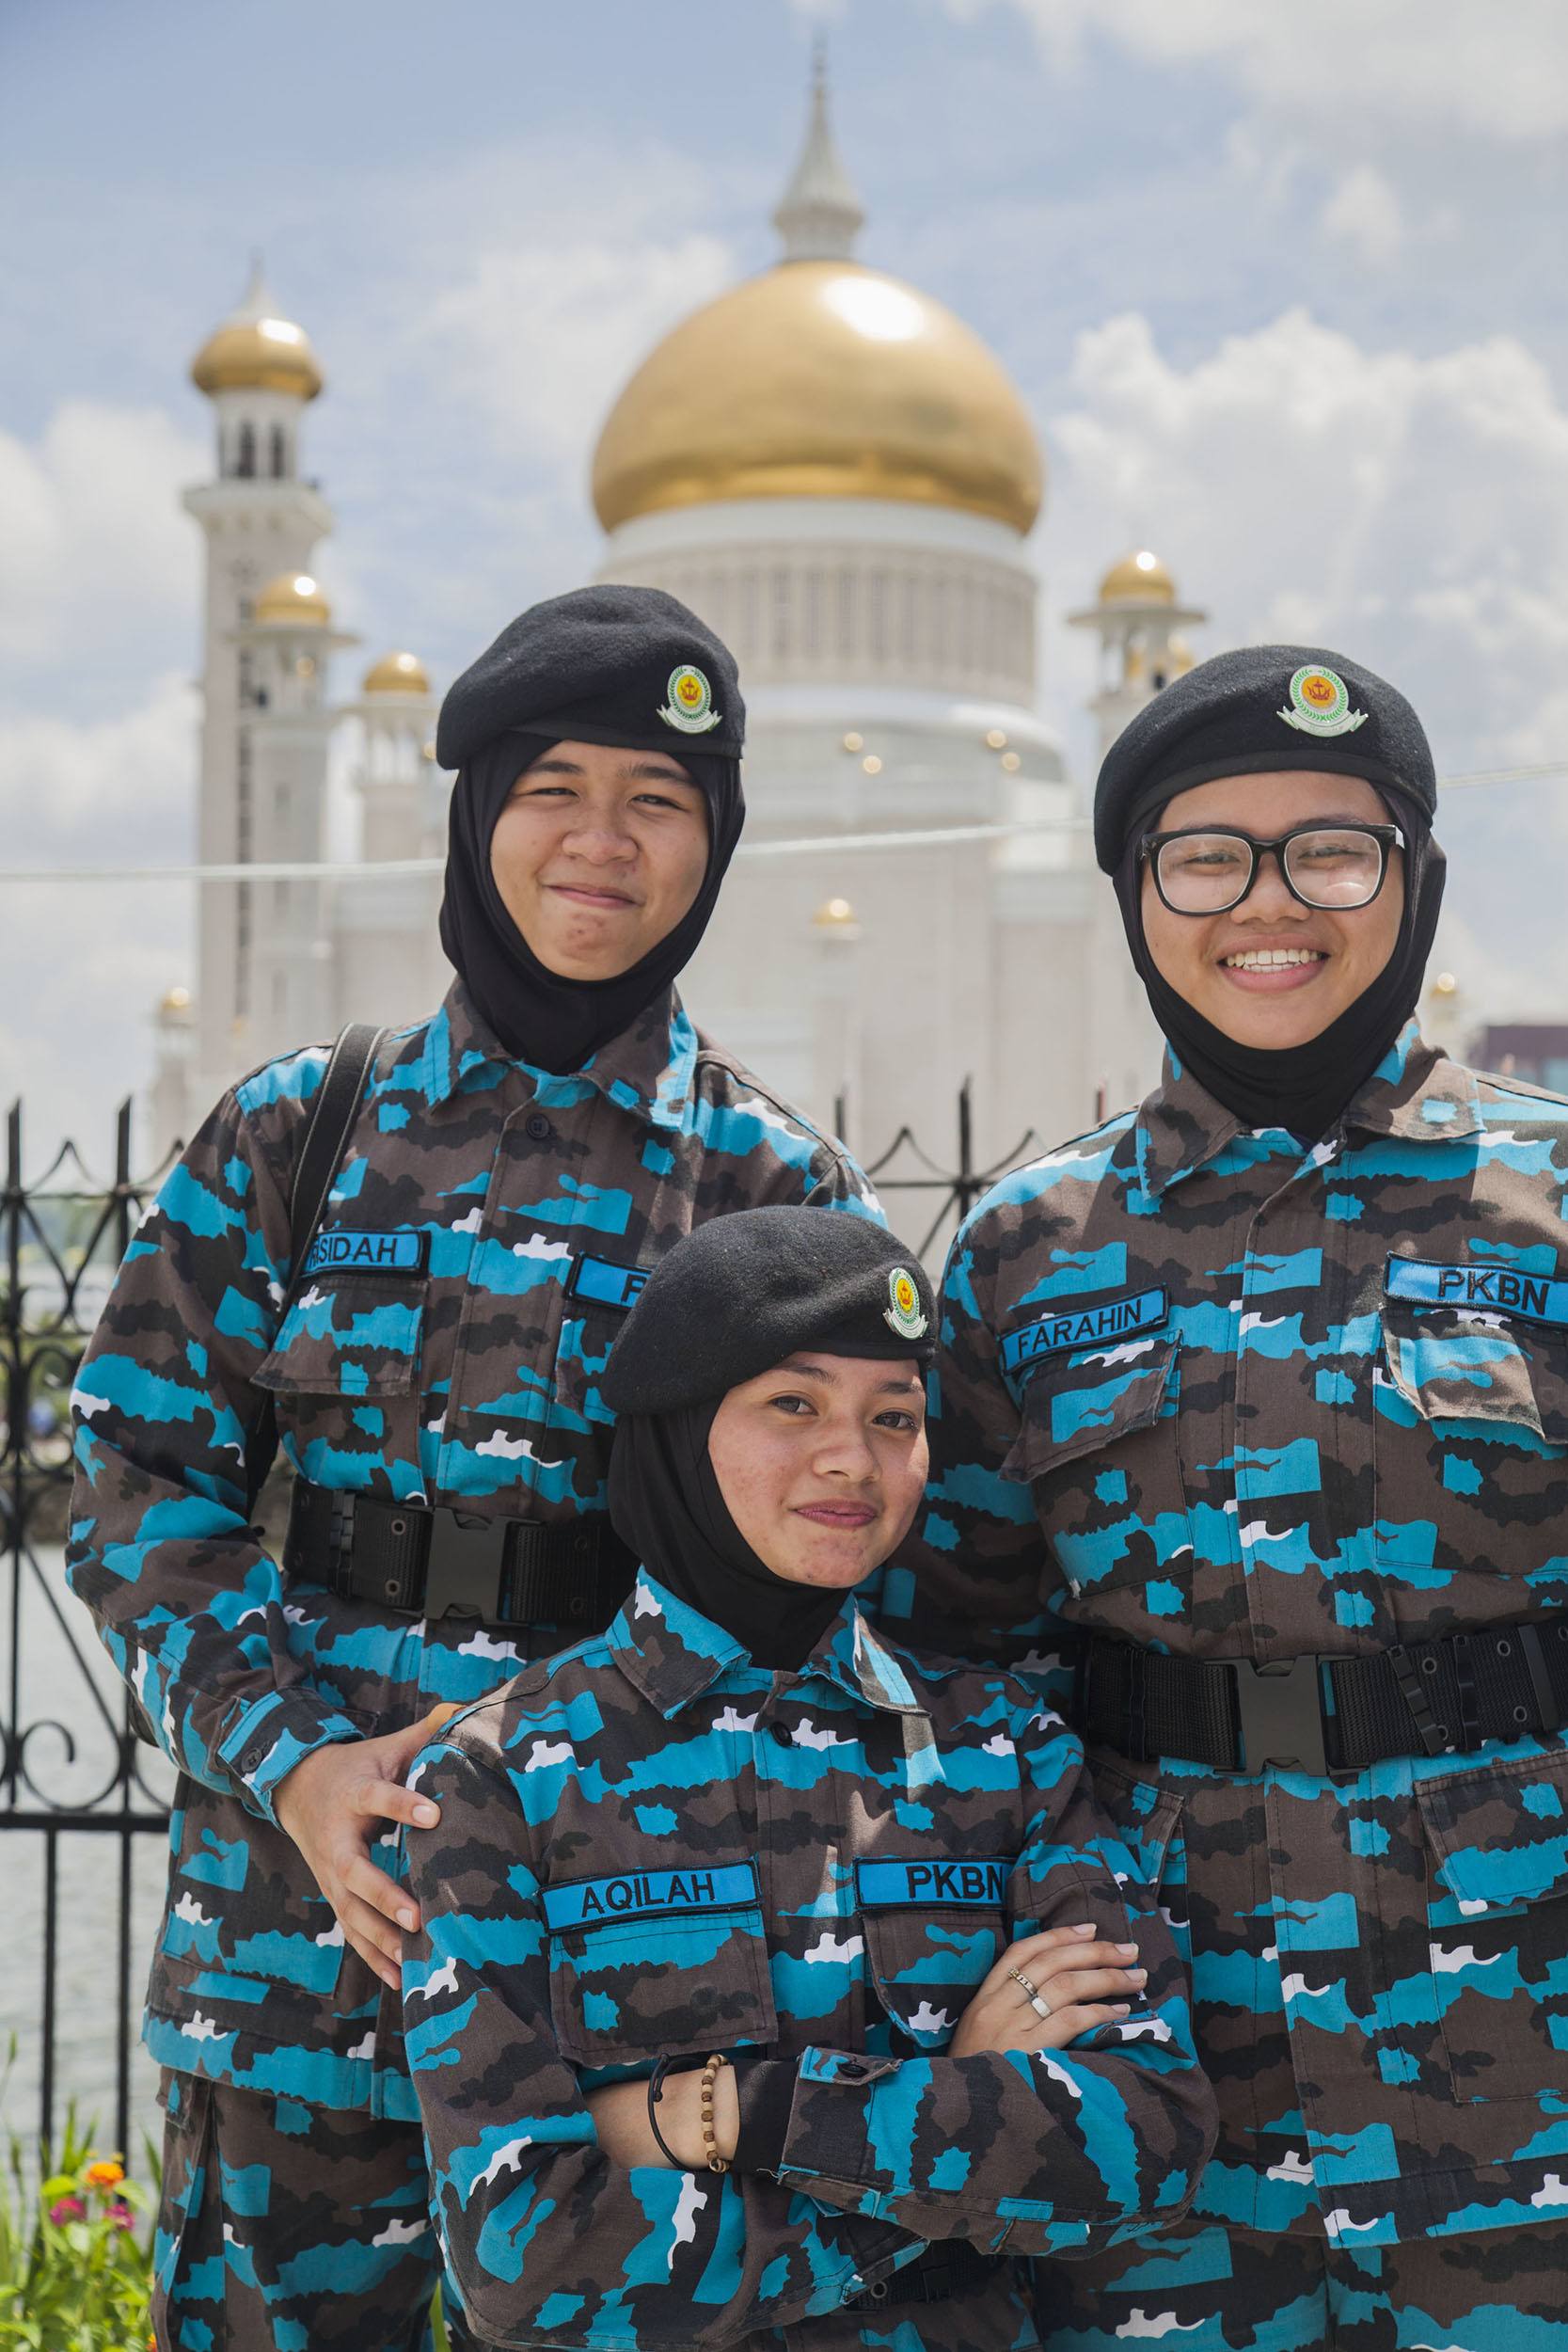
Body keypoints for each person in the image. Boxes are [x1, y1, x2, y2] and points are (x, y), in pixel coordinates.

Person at [67, 587, 879, 2352]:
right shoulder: (304, 1128)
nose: (601, 842)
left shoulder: (767, 1195)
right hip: (304, 1946)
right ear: (476, 813)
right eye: (554, 789)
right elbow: (134, 1473)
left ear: (714, 847)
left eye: (659, 802)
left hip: (631, 1978)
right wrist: (294, 1764)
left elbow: (841, 1569)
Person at [904, 644, 1568, 2345]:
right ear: (1136, 897)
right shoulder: (1026, 1257)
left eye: (1331, 852)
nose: (1267, 904)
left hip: (1524, 2055)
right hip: (1164, 2084)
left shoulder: (1549, 1200)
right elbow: (945, 1666)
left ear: (1411, 882)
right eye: (1205, 857)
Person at [400, 1206, 1216, 2351]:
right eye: (795, 1404)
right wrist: (950, 2125)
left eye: (895, 1417)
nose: (853, 1457)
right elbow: (523, 2260)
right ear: (682, 1431)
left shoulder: (1004, 1750)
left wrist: (752, 2111)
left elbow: (1149, 2139)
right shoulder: (504, 1778)